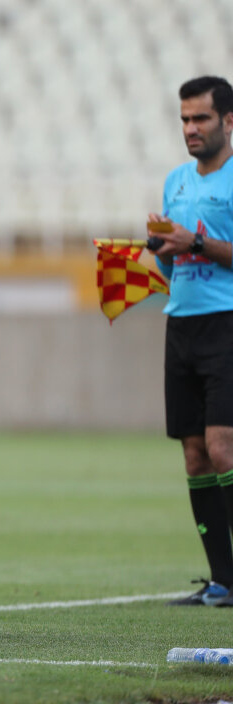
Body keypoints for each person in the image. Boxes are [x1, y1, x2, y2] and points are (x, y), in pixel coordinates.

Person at [147, 75, 233, 608]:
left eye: (200, 117)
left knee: (224, 448)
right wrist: (163, 248)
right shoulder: (175, 181)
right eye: (184, 119)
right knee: (195, 455)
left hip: (226, 322)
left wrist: (195, 241)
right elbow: (170, 264)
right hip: (181, 325)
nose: (190, 128)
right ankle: (222, 581)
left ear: (229, 120)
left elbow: (201, 245)